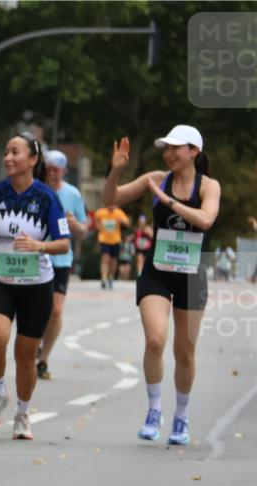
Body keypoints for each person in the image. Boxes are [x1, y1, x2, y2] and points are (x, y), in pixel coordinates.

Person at [103, 125, 220, 445]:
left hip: (192, 276)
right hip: (157, 271)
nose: (168, 153)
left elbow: (206, 219)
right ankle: (154, 410)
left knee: (185, 352)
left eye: (175, 148)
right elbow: (109, 200)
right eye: (165, 148)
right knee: (155, 340)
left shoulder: (209, 186)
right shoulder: (154, 179)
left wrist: (167, 201)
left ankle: (181, 416)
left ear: (194, 151)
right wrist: (116, 172)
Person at [0, 132, 71, 440]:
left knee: (26, 354)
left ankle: (23, 413)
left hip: (37, 285)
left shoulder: (47, 197)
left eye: (15, 152)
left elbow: (63, 245)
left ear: (33, 159)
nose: (8, 158)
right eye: (6, 152)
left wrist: (39, 247)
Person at [36, 149, 86, 380]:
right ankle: (33, 344)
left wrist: (74, 224)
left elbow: (84, 230)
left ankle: (43, 359)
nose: (53, 173)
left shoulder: (73, 194)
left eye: (57, 169)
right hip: (35, 257)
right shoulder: (35, 190)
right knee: (37, 308)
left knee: (56, 310)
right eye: (49, 168)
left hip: (60, 260)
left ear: (65, 171)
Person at [94, 202, 130, 289]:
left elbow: (128, 223)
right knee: (105, 258)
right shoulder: (100, 212)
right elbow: (96, 219)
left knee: (113, 261)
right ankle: (103, 278)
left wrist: (122, 221)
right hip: (104, 239)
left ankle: (111, 277)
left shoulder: (119, 212)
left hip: (116, 240)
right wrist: (98, 225)